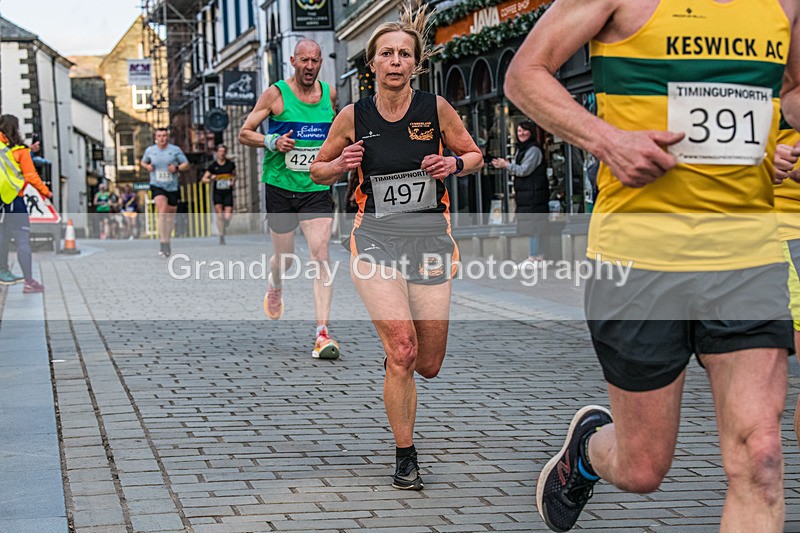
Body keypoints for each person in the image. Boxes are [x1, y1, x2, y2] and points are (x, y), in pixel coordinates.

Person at [504, 1, 799, 531]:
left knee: (762, 460)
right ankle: (588, 453)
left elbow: (793, 89)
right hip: (638, 260)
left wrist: (774, 132)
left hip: (746, 257)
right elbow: (524, 75)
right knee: (643, 468)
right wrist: (609, 140)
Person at [309, 3, 482, 491]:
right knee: (405, 350)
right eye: (386, 53)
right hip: (374, 243)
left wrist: (457, 166)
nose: (395, 61)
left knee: (427, 364)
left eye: (404, 54)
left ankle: (396, 362)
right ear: (373, 63)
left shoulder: (436, 109)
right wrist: (341, 162)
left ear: (415, 63)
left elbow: (473, 153)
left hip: (429, 243)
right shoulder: (352, 114)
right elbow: (316, 170)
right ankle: (405, 454)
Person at [238, 39, 341, 359]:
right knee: (285, 258)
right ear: (293, 61)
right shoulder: (276, 94)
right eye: (304, 60)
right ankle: (275, 285)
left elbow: (337, 133)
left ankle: (322, 334)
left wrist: (336, 161)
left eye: (316, 60)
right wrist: (272, 140)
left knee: (320, 255)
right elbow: (245, 132)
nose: (310, 66)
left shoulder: (330, 94)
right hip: (280, 187)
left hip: (315, 188)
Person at [0, 114, 50, 292]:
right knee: (22, 240)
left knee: (2, 237)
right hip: (14, 199)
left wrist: (30, 150)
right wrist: (46, 192)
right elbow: (30, 175)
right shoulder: (19, 150)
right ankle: (29, 282)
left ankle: (3, 271)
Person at [491, 120, 548, 265]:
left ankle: (535, 257)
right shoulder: (522, 149)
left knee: (535, 225)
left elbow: (523, 170)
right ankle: (536, 257)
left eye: (524, 130)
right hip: (528, 195)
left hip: (534, 195)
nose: (521, 134)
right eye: (519, 131)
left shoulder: (533, 150)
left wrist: (507, 165)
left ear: (532, 132)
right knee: (531, 225)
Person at [141, 128, 189, 257]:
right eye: (159, 136)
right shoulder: (150, 151)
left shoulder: (175, 150)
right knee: (162, 211)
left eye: (164, 136)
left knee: (170, 217)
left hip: (172, 186)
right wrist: (148, 167)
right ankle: (163, 243)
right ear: (155, 137)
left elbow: (186, 164)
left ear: (167, 137)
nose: (162, 138)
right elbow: (143, 162)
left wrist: (177, 168)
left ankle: (167, 240)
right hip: (157, 185)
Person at [201, 144, 236, 245]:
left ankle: (225, 224)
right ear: (217, 153)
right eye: (220, 151)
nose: (222, 153)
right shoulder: (213, 166)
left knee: (228, 216)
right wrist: (210, 178)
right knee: (219, 215)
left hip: (228, 192)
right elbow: (204, 179)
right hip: (217, 193)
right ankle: (221, 235)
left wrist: (233, 181)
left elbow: (234, 176)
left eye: (223, 151)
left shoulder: (230, 164)